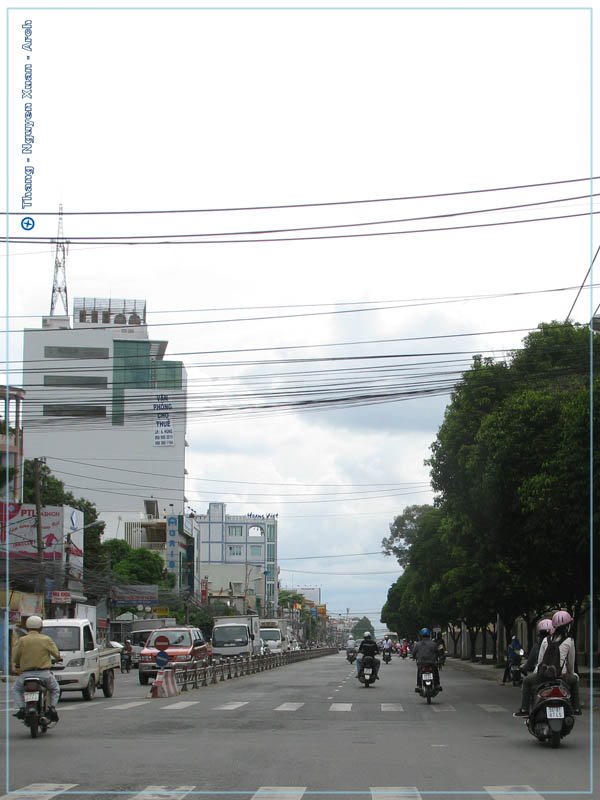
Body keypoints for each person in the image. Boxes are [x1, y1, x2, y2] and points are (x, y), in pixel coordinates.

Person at [514, 610, 581, 717]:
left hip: (543, 677)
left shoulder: (546, 640)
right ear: (568, 626)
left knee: (526, 681)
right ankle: (576, 708)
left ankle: (524, 709)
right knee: (574, 680)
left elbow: (540, 662)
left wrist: (537, 674)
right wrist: (572, 674)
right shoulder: (570, 641)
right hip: (561, 677)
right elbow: (570, 663)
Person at [12, 615, 61, 722]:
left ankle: (21, 708)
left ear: (27, 627)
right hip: (44, 674)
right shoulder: (46, 639)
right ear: (40, 627)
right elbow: (56, 653)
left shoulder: (22, 640)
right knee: (55, 689)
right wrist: (58, 658)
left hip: (26, 675)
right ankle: (52, 708)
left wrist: (17, 664)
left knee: (16, 689)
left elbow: (15, 656)